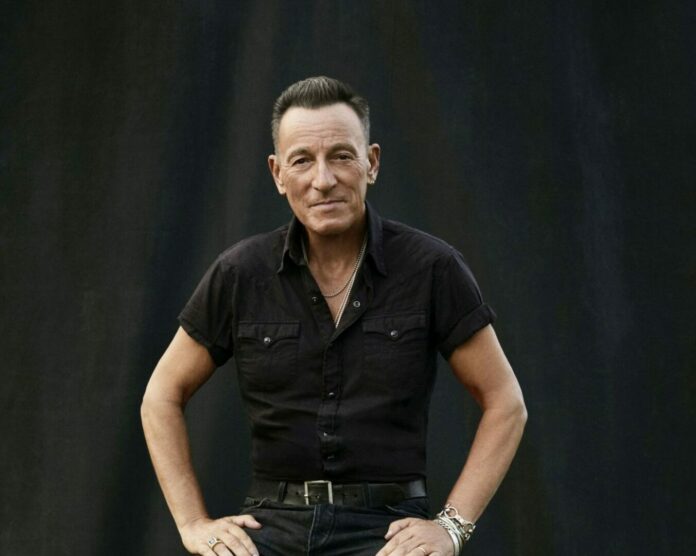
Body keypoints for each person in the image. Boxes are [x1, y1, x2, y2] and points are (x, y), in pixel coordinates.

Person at [141, 76, 527, 556]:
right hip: (271, 526)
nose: (323, 180)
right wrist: (193, 523)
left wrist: (451, 527)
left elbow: (505, 402)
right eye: (302, 160)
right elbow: (160, 396)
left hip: (389, 531)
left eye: (342, 156)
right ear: (278, 174)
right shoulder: (241, 273)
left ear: (372, 163)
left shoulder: (432, 268)